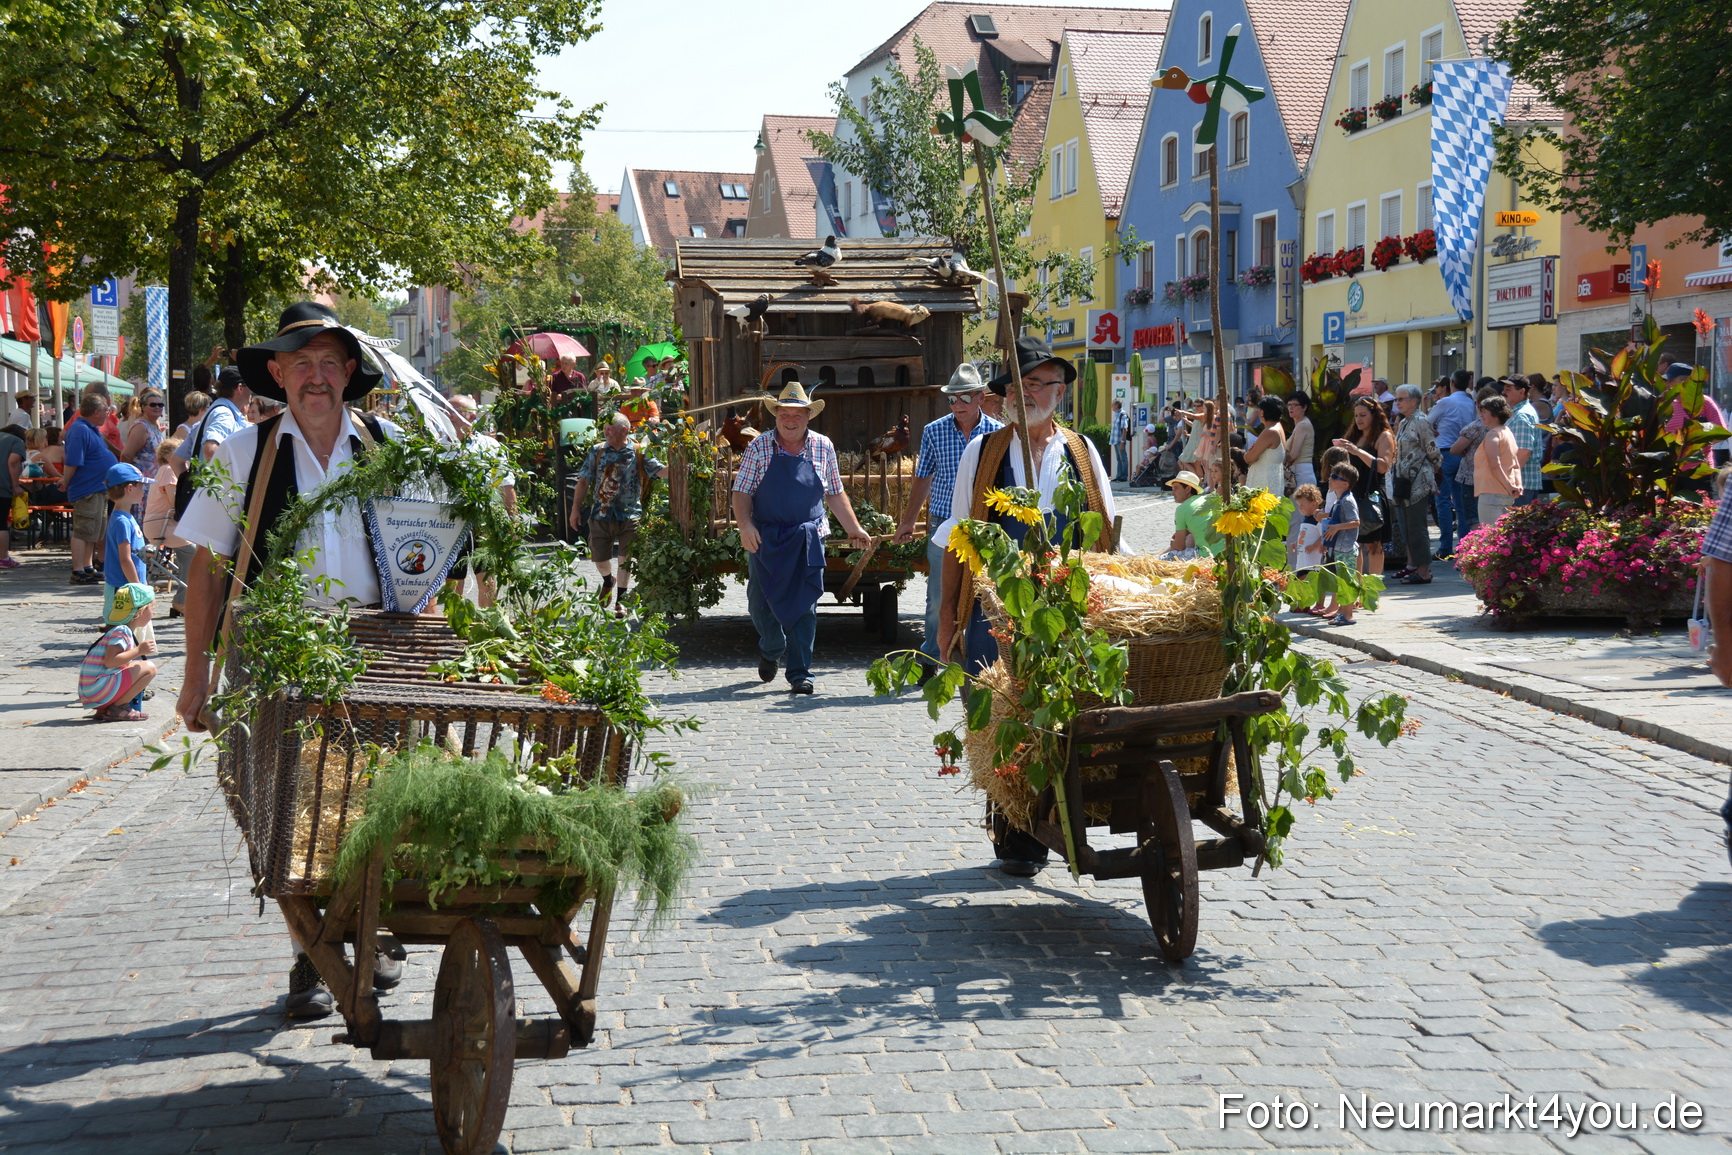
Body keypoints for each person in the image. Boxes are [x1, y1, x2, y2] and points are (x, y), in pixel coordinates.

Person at [175, 300, 402, 1021]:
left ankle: (367, 926)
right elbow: (208, 570)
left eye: (329, 362)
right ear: (276, 372)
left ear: (349, 373)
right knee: (280, 809)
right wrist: (193, 677)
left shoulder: (387, 446)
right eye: (300, 362)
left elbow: (417, 553)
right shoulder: (240, 453)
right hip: (271, 651)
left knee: (372, 796)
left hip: (372, 648)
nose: (315, 376)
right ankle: (315, 945)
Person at [934, 337, 1120, 877]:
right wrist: (947, 616)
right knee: (1000, 718)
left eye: (1043, 383)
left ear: (1060, 392)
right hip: (994, 614)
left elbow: (1109, 538)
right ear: (1006, 394)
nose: (1031, 393)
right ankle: (1015, 832)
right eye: (1021, 383)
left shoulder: (1083, 455)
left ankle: (1055, 815)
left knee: (1060, 715)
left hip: (1065, 612)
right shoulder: (984, 452)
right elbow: (956, 535)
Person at [731, 381, 872, 695]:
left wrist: (854, 528)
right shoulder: (760, 446)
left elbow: (834, 493)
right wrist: (745, 526)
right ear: (776, 414)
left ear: (809, 416)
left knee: (805, 605)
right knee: (759, 604)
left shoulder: (823, 446)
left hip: (808, 536)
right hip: (765, 537)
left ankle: (800, 673)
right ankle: (771, 647)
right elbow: (741, 491)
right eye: (784, 412)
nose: (790, 419)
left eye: (797, 413)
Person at [892, 361, 1003, 675]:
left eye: (964, 398)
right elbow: (923, 478)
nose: (957, 405)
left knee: (986, 592)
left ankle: (984, 663)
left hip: (986, 525)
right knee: (939, 596)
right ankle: (930, 660)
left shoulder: (998, 434)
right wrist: (908, 521)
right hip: (944, 523)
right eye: (951, 399)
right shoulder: (934, 431)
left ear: (981, 398)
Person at [571, 413, 662, 617]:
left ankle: (621, 600)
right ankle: (607, 580)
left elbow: (658, 470)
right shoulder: (598, 451)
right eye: (604, 429)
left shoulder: (639, 450)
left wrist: (680, 468)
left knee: (625, 558)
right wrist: (575, 509)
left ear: (624, 430)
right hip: (601, 515)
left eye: (610, 428)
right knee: (599, 559)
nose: (606, 432)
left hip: (630, 515)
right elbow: (584, 480)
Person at [446, 394, 518, 609]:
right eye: (447, 411)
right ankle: (454, 625)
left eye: (455, 411)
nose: (449, 416)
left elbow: (506, 485)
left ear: (472, 416)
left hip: (484, 520)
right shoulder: (439, 446)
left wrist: (513, 520)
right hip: (450, 520)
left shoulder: (489, 446)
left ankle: (487, 623)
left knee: (486, 576)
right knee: (452, 579)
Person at [78, 582, 159, 723]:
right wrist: (139, 650)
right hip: (97, 690)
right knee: (149, 668)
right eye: (152, 608)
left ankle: (106, 709)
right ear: (141, 611)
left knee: (135, 665)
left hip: (93, 692)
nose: (153, 613)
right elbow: (111, 661)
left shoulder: (118, 630)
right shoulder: (122, 631)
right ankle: (118, 708)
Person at [1333, 397, 1395, 579]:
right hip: (1353, 494)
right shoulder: (1355, 435)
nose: (1359, 419)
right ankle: (1357, 588)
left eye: (1363, 415)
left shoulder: (1384, 436)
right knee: (1355, 543)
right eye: (1356, 416)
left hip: (1372, 494)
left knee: (1374, 544)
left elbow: (1383, 466)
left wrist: (1357, 451)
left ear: (1374, 415)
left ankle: (1373, 590)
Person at [62, 392, 120, 585]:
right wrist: (65, 481)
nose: (108, 413)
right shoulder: (80, 429)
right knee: (83, 529)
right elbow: (73, 461)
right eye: (106, 410)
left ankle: (87, 566)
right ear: (96, 412)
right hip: (87, 489)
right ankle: (78, 570)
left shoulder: (90, 428)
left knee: (93, 531)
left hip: (98, 488)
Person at [1389, 384, 1441, 584]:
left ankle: (1424, 570)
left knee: (1417, 527)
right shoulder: (1403, 421)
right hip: (1404, 482)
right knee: (1407, 527)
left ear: (1413, 401)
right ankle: (1413, 565)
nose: (1397, 402)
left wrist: (1434, 470)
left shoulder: (1420, 420)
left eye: (1401, 399)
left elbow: (1432, 449)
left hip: (1418, 482)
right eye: (1396, 399)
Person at [1429, 369, 1477, 559]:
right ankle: (1464, 545)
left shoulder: (1446, 402)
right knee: (1461, 501)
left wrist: (1435, 428)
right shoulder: (1471, 403)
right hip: (1464, 454)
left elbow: (1427, 422)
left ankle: (1446, 546)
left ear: (1451, 384)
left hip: (1445, 453)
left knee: (1442, 501)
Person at [102, 463, 148, 623]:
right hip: (123, 590)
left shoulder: (127, 517)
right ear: (130, 488)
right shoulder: (122, 521)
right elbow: (125, 559)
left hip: (129, 587)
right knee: (122, 633)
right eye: (141, 486)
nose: (144, 491)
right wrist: (139, 589)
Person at [1319, 464, 1362, 626]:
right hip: (1339, 547)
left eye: (1335, 477)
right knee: (1341, 582)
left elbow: (1356, 522)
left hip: (1347, 548)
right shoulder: (1340, 499)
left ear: (1345, 483)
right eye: (1331, 475)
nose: (1330, 478)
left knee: (1348, 581)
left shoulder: (1347, 501)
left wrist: (1337, 527)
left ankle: (1348, 614)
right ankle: (1343, 612)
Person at [1473, 395, 1521, 525]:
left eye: (1484, 411)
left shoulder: (1493, 434)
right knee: (1503, 538)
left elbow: (1495, 465)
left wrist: (1510, 486)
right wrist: (1515, 485)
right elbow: (1515, 463)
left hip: (1491, 494)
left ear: (1494, 413)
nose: (1481, 414)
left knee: (1490, 537)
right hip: (1505, 493)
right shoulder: (1507, 432)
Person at [1501, 377, 1545, 507]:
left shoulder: (1521, 416)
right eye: (1504, 388)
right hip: (1521, 483)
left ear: (1522, 392)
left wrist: (1509, 480)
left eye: (1508, 389)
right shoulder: (1518, 413)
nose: (1503, 392)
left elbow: (1523, 452)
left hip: (1520, 484)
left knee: (1518, 526)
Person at [121, 390, 165, 512]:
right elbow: (126, 455)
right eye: (153, 404)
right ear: (143, 407)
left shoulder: (155, 424)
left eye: (160, 405)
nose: (157, 407)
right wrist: (131, 482)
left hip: (152, 484)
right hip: (141, 486)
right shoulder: (141, 427)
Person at [1165, 471, 1221, 558]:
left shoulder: (1181, 509)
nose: (1172, 493)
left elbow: (1179, 546)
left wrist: (1173, 544)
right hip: (1224, 552)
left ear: (1188, 489)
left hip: (1207, 555)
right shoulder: (1208, 498)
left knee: (1165, 558)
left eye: (1175, 488)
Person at [142, 436, 183, 552]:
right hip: (162, 525)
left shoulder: (163, 470)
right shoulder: (169, 470)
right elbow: (174, 502)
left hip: (158, 524)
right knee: (196, 549)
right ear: (169, 456)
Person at [1243, 396, 1287, 495]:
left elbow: (1249, 458)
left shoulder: (1270, 431)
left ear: (1262, 412)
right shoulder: (1278, 427)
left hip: (1264, 486)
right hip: (1272, 481)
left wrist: (1247, 453)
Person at [0, 422, 23, 569]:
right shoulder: (16, 441)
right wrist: (15, 486)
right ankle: (3, 557)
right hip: (2, 486)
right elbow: (13, 462)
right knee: (1, 523)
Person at [1285, 392, 1316, 491]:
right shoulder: (1300, 424)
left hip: (1302, 472)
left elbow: (1294, 454)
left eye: (1294, 405)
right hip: (1299, 471)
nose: (1291, 408)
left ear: (1304, 407)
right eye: (1289, 405)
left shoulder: (1302, 425)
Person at [1108, 398, 1131, 482]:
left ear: (1117, 405)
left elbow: (1125, 429)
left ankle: (1123, 476)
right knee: (1118, 459)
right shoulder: (1116, 414)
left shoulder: (1122, 414)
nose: (1112, 407)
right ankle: (1118, 475)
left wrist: (1122, 442)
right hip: (1115, 440)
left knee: (1123, 458)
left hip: (1119, 440)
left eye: (1113, 405)